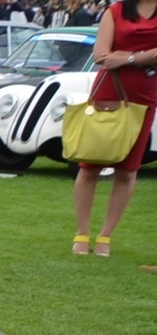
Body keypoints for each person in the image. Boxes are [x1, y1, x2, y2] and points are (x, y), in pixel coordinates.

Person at [71, 0, 157, 255]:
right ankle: (82, 233)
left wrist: (128, 57)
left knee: (128, 170)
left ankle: (106, 236)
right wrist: (147, 57)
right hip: (109, 88)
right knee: (90, 165)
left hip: (145, 95)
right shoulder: (116, 10)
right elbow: (101, 56)